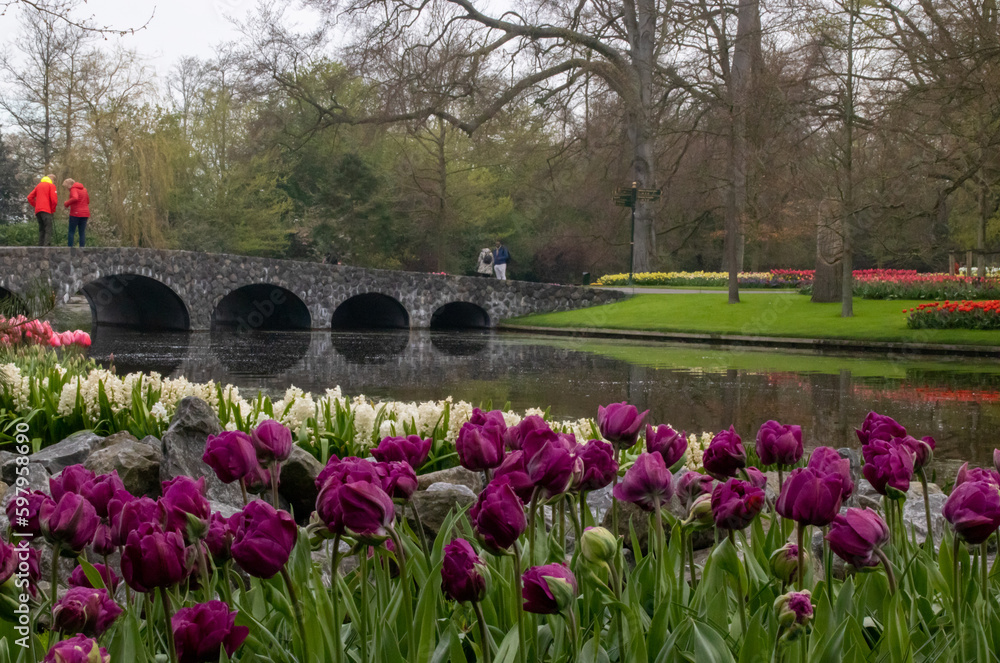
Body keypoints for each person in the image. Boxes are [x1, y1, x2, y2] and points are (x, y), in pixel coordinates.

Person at [26, 174, 57, 246]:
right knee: (48, 227)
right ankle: (46, 245)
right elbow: (54, 200)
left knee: (41, 228)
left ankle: (40, 245)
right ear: (52, 179)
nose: (54, 182)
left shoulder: (38, 186)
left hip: (38, 211)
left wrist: (36, 205)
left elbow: (29, 197)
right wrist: (52, 210)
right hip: (47, 210)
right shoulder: (51, 186)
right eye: (54, 180)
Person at [63, 178, 90, 247]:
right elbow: (88, 201)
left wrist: (66, 203)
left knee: (71, 231)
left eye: (66, 187)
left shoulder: (73, 189)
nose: (67, 189)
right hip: (85, 214)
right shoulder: (84, 190)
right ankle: (82, 249)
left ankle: (70, 249)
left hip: (75, 213)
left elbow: (75, 198)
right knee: (82, 232)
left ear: (69, 185)